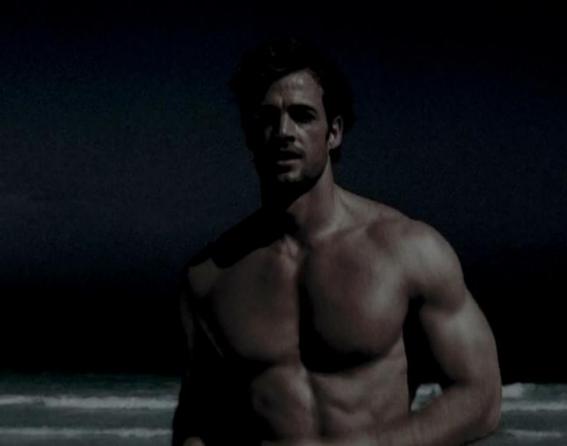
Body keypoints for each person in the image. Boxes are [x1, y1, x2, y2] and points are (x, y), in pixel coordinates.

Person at [172, 37, 501, 446]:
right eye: (267, 117)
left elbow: (481, 397)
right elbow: (197, 422)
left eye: (302, 116)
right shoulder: (208, 279)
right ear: (249, 133)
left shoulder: (409, 250)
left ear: (334, 133)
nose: (284, 132)